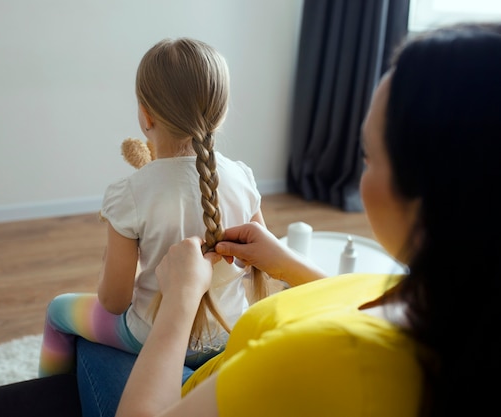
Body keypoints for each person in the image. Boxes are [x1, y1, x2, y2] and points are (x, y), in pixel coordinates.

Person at [107, 22, 501, 416]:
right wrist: (290, 264)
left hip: (177, 362)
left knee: (76, 336)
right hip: (224, 339)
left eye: (367, 156)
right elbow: (358, 300)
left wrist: (180, 299)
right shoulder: (433, 303)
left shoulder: (319, 356)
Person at [38, 37, 268, 377]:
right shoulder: (243, 177)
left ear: (146, 116)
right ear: (220, 114)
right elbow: (262, 256)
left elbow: (114, 302)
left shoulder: (129, 194)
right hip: (230, 332)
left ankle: (50, 398)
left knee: (58, 311)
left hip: (149, 336)